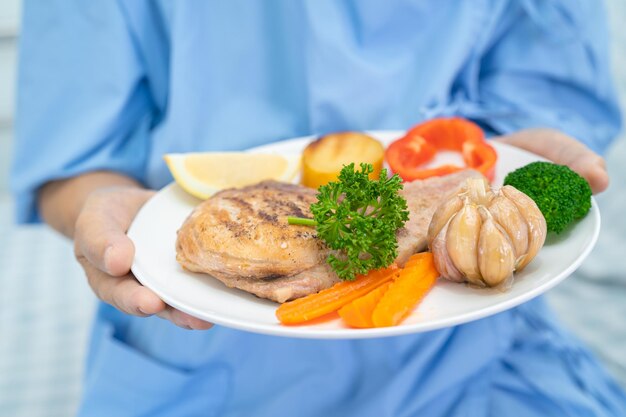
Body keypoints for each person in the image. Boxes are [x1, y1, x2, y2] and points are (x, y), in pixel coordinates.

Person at [11, 1, 626, 416]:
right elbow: (72, 153)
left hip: (473, 348)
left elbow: (547, 90)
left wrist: (518, 153)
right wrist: (103, 205)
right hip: (203, 365)